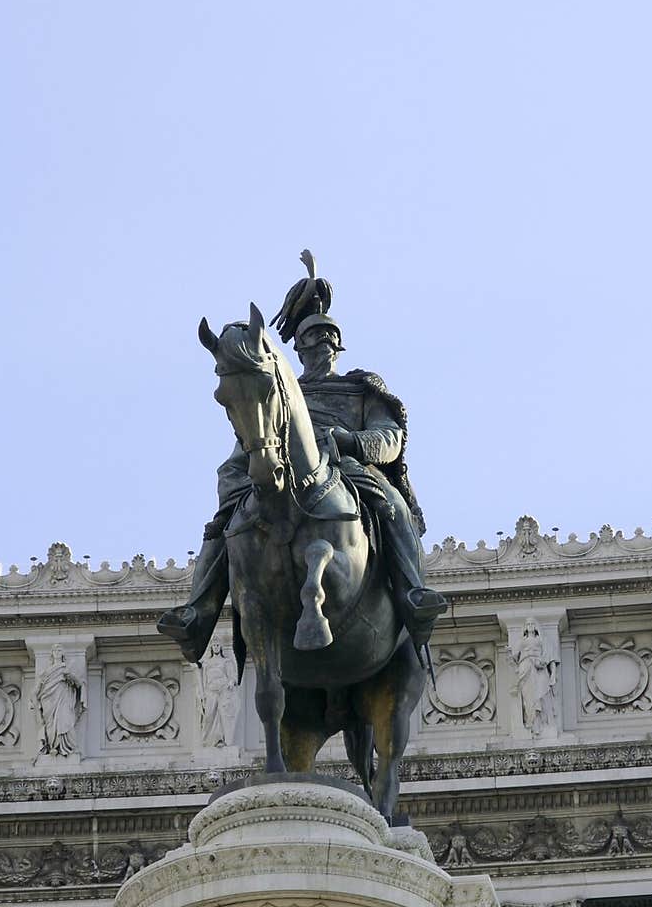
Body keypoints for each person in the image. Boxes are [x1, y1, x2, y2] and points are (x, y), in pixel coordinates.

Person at [158, 251, 446, 665]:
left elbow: (391, 438)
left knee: (391, 507)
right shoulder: (277, 394)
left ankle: (412, 592)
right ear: (298, 350)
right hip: (276, 474)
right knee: (223, 526)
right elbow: (249, 442)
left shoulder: (360, 389)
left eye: (327, 341)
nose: (320, 349)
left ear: (338, 346)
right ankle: (197, 613)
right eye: (311, 343)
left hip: (348, 472)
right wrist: (239, 476)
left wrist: (350, 442)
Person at [31, 645, 85, 756]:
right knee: (50, 726)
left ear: (63, 653)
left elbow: (79, 684)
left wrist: (70, 677)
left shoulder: (67, 668)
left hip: (64, 699)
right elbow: (37, 690)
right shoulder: (45, 672)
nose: (57, 652)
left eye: (59, 650)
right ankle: (52, 746)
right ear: (52, 653)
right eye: (55, 650)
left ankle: (69, 747)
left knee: (65, 720)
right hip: (48, 701)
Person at [509, 617, 558, 736]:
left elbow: (551, 658)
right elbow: (514, 657)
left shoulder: (542, 640)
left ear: (536, 626)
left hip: (540, 668)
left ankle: (544, 723)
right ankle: (531, 723)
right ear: (525, 628)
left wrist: (553, 675)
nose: (530, 626)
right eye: (528, 624)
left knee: (542, 694)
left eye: (532, 624)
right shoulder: (521, 641)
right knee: (528, 698)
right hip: (525, 668)